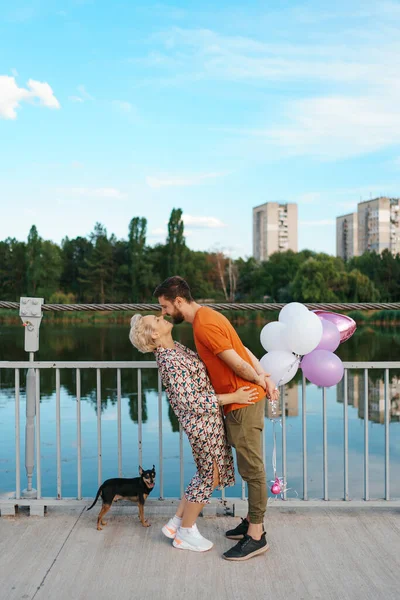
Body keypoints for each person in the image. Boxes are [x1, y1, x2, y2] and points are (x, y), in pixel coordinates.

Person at [154, 276, 279, 561]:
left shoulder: (204, 324)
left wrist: (259, 379)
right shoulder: (210, 315)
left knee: (253, 470)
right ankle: (250, 521)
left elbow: (236, 361)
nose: (163, 313)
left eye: (164, 307)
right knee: (249, 466)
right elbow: (243, 349)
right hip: (241, 400)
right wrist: (264, 379)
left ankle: (256, 536)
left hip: (243, 401)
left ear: (179, 301)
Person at [129, 313, 258, 553]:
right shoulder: (169, 360)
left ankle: (177, 522)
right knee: (212, 476)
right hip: (201, 423)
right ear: (155, 334)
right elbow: (192, 402)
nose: (161, 316)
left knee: (205, 473)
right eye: (155, 320)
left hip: (207, 421)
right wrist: (234, 397)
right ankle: (186, 532)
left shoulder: (174, 349)